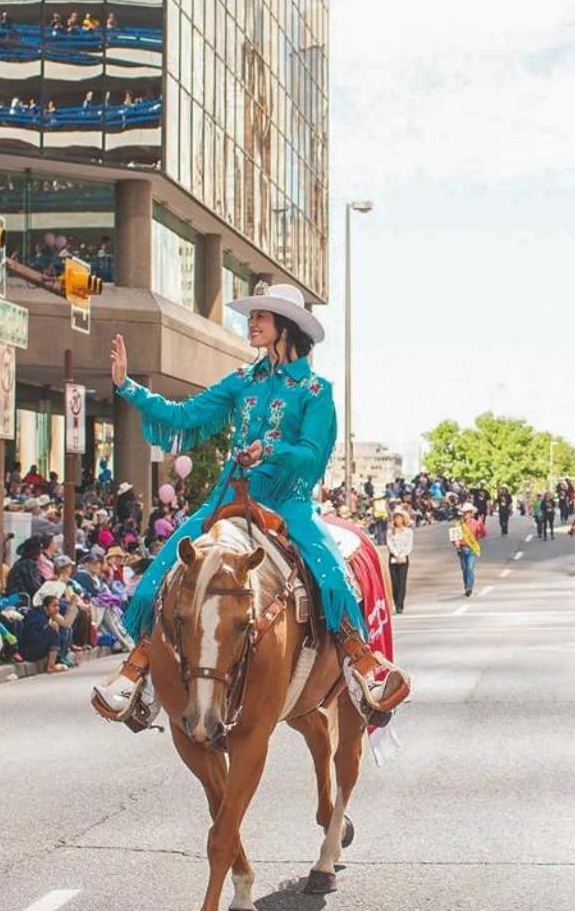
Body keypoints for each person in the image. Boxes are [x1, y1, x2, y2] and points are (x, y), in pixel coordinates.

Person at [91, 283, 411, 725]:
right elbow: (185, 416)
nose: (252, 322)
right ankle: (139, 669)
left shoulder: (316, 391)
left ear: (287, 327)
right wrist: (128, 387)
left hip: (289, 503)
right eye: (253, 315)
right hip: (229, 497)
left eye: (261, 315)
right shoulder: (242, 380)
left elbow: (313, 456)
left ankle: (361, 664)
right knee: (158, 576)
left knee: (335, 579)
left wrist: (270, 451)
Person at [386, 506, 414, 613]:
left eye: (399, 517)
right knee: (394, 582)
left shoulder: (408, 532)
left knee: (402, 581)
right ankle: (395, 600)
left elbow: (409, 545)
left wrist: (402, 554)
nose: (397, 520)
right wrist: (396, 554)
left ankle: (400, 604)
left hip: (404, 557)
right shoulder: (390, 531)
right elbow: (389, 544)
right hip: (393, 557)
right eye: (395, 518)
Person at [450, 503, 481, 597]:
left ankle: (469, 587)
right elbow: (454, 538)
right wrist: (457, 544)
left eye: (467, 512)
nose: (465, 514)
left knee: (470, 568)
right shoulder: (458, 524)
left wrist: (481, 525)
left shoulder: (476, 523)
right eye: (464, 512)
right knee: (464, 569)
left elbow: (481, 534)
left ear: (471, 513)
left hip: (471, 548)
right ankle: (466, 585)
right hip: (462, 548)